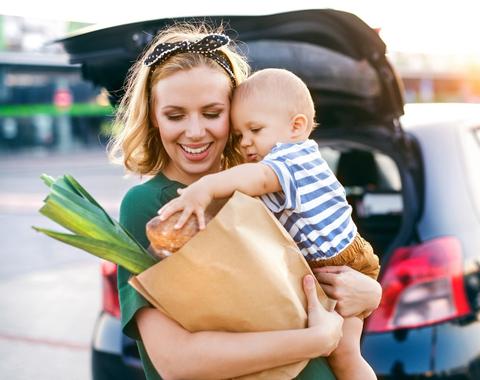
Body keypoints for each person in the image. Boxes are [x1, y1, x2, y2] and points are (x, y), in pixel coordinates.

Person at [111, 24, 382, 380]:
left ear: (236, 114)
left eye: (212, 113)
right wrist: (315, 340)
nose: (195, 131)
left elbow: (325, 263)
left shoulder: (261, 186)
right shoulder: (151, 207)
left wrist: (370, 293)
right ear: (153, 119)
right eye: (175, 115)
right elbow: (177, 363)